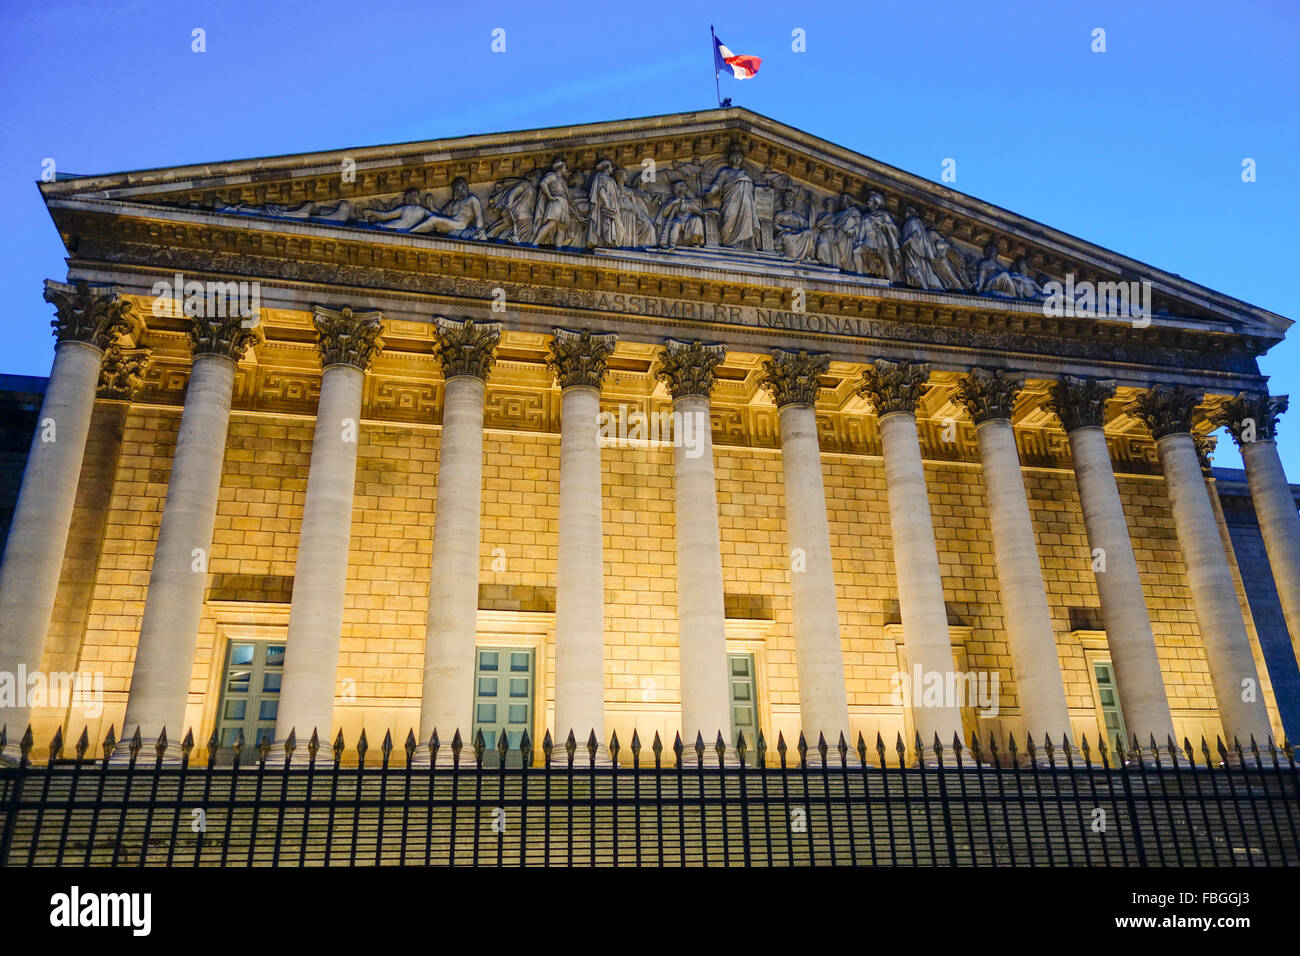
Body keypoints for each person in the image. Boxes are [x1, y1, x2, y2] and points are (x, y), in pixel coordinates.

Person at [703, 146, 759, 248]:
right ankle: (727, 243)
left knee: (746, 222)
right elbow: (717, 184)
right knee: (729, 217)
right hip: (730, 201)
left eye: (739, 157)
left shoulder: (745, 175)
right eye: (735, 156)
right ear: (731, 158)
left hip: (746, 205)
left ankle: (741, 245)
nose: (737, 159)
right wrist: (710, 193)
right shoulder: (725, 171)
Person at [656, 181, 706, 248]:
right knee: (676, 225)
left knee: (697, 219)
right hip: (677, 220)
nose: (686, 189)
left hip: (688, 222)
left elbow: (700, 211)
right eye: (684, 187)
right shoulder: (672, 200)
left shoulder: (689, 202)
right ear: (680, 189)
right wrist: (672, 204)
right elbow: (664, 213)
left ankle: (694, 241)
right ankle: (672, 244)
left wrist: (710, 211)